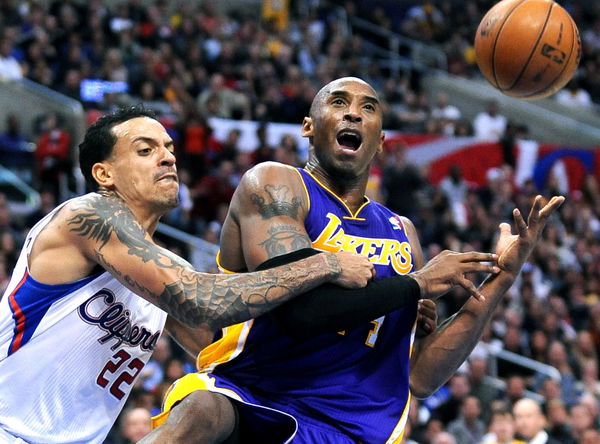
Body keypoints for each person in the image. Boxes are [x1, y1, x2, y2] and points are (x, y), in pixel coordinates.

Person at [145, 77, 564, 443]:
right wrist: (415, 285)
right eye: (339, 103)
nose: (353, 115)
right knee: (201, 409)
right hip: (260, 395)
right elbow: (301, 313)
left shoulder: (403, 232)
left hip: (357, 429)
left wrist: (500, 280)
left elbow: (419, 376)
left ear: (381, 140)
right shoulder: (277, 184)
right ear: (309, 127)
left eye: (368, 108)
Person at [0, 105, 378, 444]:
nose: (167, 158)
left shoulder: (164, 270)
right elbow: (203, 301)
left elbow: (224, 351)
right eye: (146, 150)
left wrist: (386, 319)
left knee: (209, 408)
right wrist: (324, 263)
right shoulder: (89, 215)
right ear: (104, 173)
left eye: (168, 148)